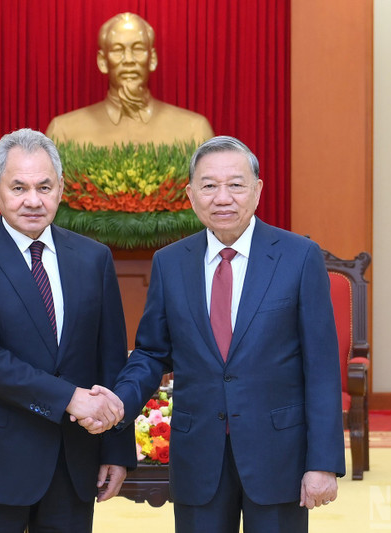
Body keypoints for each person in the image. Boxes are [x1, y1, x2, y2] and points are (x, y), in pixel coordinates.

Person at [103, 136, 346, 532]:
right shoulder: (170, 262)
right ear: (190, 194)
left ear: (257, 190)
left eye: (235, 184)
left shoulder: (299, 257)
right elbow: (150, 353)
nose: (222, 197)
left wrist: (322, 463)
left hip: (278, 454)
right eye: (209, 185)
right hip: (198, 453)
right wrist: (117, 403)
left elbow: (320, 367)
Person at [0, 128, 135, 533]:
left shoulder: (93, 258)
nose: (33, 200)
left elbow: (110, 358)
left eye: (44, 186)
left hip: (73, 460)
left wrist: (117, 447)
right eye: (19, 187)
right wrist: (70, 398)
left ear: (61, 189)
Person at [46, 12, 214, 147]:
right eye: (118, 50)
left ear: (152, 58)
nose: (128, 59)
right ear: (103, 61)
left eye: (138, 49)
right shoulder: (63, 132)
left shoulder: (195, 131)